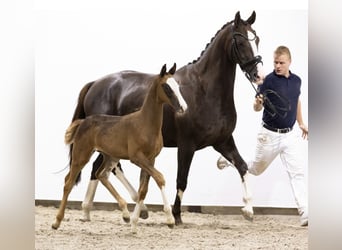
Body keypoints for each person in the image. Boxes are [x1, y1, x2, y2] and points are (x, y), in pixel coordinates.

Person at [217, 45, 308, 226]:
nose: (278, 66)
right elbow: (256, 108)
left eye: (282, 62)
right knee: (256, 169)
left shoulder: (297, 80)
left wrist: (301, 123)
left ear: (289, 62)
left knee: (297, 173)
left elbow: (296, 101)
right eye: (275, 62)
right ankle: (230, 159)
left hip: (290, 136)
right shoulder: (268, 81)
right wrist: (258, 103)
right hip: (269, 135)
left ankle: (305, 212)